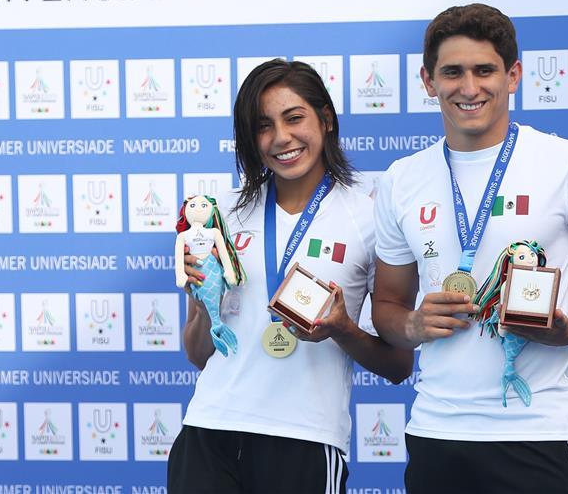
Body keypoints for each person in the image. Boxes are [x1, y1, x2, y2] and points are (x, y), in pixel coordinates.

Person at [371, 4, 568, 494]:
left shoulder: (567, 164)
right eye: (452, 72)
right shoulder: (402, 179)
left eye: (485, 70)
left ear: (514, 75)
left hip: (536, 434)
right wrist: (413, 324)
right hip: (436, 432)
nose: (469, 87)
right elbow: (386, 308)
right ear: (427, 80)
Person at [168, 59, 413, 494]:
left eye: (294, 117)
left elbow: (397, 365)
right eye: (264, 126)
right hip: (208, 431)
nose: (281, 138)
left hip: (305, 440)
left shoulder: (370, 216)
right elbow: (197, 351)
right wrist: (204, 301)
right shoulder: (221, 212)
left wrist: (342, 329)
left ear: (327, 119)